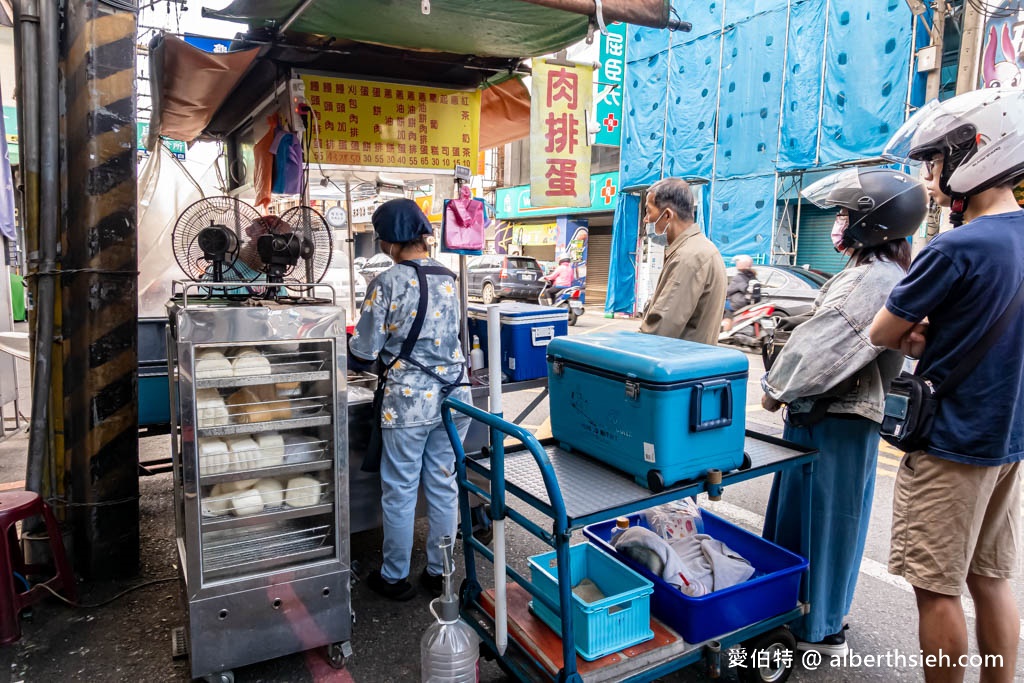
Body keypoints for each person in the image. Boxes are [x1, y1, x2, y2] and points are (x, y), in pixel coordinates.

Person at [869, 88, 1024, 683]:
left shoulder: (957, 245)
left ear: (975, 153)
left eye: (936, 163)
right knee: (992, 579)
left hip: (951, 443)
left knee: (935, 590)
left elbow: (884, 330)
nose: (931, 181)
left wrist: (917, 336)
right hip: (1007, 444)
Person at [760, 167, 928, 656]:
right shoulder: (880, 273)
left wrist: (773, 389)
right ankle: (815, 613)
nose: (837, 222)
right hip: (841, 418)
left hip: (834, 419)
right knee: (827, 519)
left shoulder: (872, 279)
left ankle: (817, 624)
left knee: (822, 520)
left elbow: (821, 347)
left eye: (844, 214)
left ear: (872, 221)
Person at [348, 198, 472, 602]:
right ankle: (440, 572)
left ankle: (394, 577)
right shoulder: (451, 278)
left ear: (388, 241)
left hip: (409, 401)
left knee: (400, 488)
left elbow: (365, 351)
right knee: (442, 482)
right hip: (456, 395)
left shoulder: (387, 282)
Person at [639, 178, 727, 344]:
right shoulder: (701, 249)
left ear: (667, 215)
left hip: (676, 363)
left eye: (648, 212)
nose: (645, 219)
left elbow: (658, 331)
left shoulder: (688, 257)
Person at [722, 254, 757, 331]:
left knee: (721, 306)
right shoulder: (752, 275)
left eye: (738, 262)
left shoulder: (739, 277)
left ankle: (725, 330)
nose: (736, 263)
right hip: (747, 302)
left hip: (738, 303)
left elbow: (728, 291)